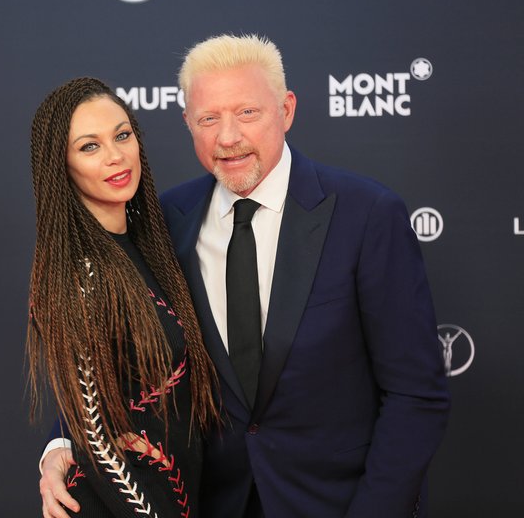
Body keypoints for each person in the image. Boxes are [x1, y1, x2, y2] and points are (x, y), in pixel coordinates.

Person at [39, 36, 451, 518]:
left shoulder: (367, 215)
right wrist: (61, 443)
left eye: (247, 114)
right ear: (188, 123)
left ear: (287, 109)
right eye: (209, 119)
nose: (228, 137)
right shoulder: (166, 221)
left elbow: (415, 395)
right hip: (211, 503)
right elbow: (110, 351)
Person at [27, 77, 220, 517]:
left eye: (122, 135)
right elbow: (95, 435)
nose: (116, 156)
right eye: (89, 146)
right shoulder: (84, 275)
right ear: (62, 165)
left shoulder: (144, 245)